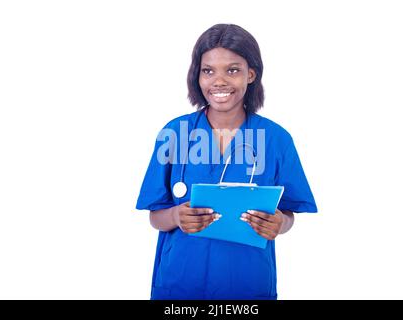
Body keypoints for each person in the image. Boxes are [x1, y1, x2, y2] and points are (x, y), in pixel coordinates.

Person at [136, 24, 317, 300]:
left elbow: (289, 213)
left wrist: (280, 223)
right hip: (181, 285)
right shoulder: (174, 134)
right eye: (208, 70)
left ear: (251, 74)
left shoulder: (276, 139)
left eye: (232, 70)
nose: (219, 81)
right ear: (197, 76)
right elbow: (155, 216)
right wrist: (175, 216)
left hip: (248, 286)